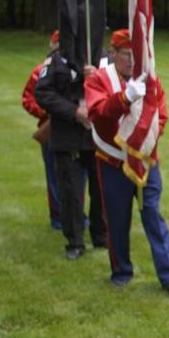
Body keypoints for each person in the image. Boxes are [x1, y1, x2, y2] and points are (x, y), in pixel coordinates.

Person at [84, 29, 169, 295]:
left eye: (136, 54)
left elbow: (160, 115)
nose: (132, 60)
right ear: (113, 53)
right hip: (113, 161)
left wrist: (146, 139)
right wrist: (124, 98)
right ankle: (121, 271)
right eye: (127, 54)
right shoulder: (98, 79)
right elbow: (98, 113)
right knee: (117, 220)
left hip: (146, 160)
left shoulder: (150, 79)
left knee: (153, 214)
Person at [34, 37, 107, 259]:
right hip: (68, 137)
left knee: (101, 191)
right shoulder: (57, 60)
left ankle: (101, 235)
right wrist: (73, 111)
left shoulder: (105, 60)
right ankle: (75, 241)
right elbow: (43, 93)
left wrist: (96, 79)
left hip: (98, 138)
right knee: (71, 192)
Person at [22, 30, 64, 231]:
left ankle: (75, 215)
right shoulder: (41, 70)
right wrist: (47, 112)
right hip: (51, 127)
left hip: (71, 128)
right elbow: (28, 99)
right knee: (54, 176)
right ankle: (57, 217)